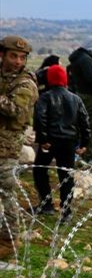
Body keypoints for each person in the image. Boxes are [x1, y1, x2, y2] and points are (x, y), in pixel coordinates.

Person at [32, 64, 89, 221]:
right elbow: (84, 121)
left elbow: (39, 118)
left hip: (50, 142)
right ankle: (66, 210)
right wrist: (84, 142)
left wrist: (42, 139)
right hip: (68, 142)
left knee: (39, 171)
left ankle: (46, 204)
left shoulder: (45, 97)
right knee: (66, 175)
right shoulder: (75, 98)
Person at [0, 35, 40, 245]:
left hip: (8, 145)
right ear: (2, 55)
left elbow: (15, 110)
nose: (18, 61)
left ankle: (9, 234)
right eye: (13, 56)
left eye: (22, 57)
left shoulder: (26, 83)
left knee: (7, 189)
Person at [66, 36, 92, 163]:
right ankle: (90, 156)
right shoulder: (86, 60)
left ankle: (83, 153)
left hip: (83, 94)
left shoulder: (78, 58)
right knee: (91, 126)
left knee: (84, 125)